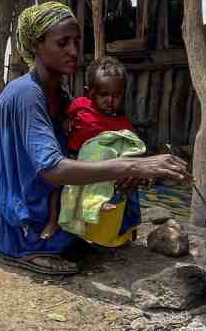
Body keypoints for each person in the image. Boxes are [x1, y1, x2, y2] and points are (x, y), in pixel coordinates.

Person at [0, 2, 190, 276]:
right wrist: (136, 165)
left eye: (77, 41)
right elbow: (53, 170)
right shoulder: (27, 95)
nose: (74, 51)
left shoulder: (59, 93)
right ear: (35, 45)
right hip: (12, 212)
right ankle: (23, 249)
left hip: (38, 199)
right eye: (63, 43)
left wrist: (129, 167)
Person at [41, 56, 141, 240]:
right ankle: (53, 221)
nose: (110, 100)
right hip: (73, 161)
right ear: (90, 93)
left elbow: (133, 146)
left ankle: (111, 217)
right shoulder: (80, 106)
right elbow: (62, 116)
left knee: (118, 185)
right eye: (104, 95)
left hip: (99, 170)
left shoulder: (122, 123)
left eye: (117, 95)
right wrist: (65, 123)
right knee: (54, 187)